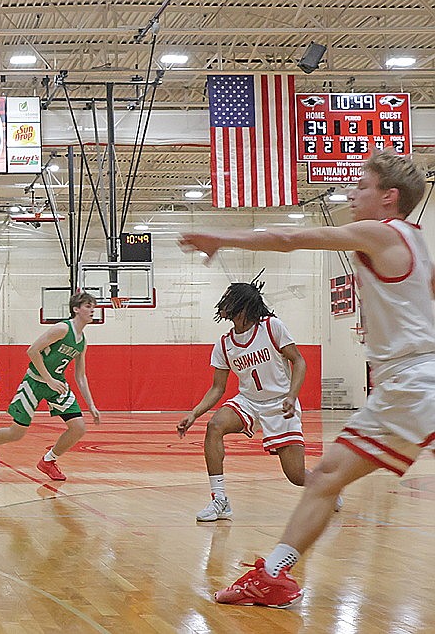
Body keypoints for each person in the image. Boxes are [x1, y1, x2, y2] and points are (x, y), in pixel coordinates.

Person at [179, 150, 435, 608]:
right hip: (413, 382)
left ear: (389, 197)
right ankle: (273, 574)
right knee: (323, 479)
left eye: (363, 187)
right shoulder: (415, 242)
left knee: (322, 479)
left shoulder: (379, 231)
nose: (353, 195)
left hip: (410, 382)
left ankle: (273, 574)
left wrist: (221, 237)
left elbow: (288, 237)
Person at [176, 281, 309, 522]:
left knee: (296, 476)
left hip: (280, 402)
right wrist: (194, 414)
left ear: (243, 304)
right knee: (215, 426)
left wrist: (291, 395)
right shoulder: (225, 344)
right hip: (248, 402)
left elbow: (299, 361)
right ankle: (220, 501)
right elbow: (218, 388)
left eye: (228, 297)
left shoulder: (272, 327)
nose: (223, 302)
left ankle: (327, 487)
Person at [0, 292, 101, 481]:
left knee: (78, 427)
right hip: (35, 381)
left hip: (56, 384)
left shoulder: (82, 342)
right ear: (76, 309)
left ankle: (48, 461)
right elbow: (32, 351)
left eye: (93, 306)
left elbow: (80, 375)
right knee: (16, 433)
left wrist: (91, 405)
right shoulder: (62, 329)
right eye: (88, 306)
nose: (92, 309)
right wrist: (48, 379)